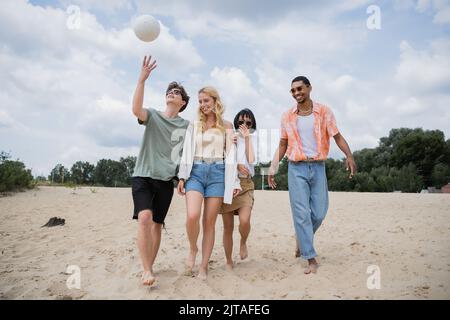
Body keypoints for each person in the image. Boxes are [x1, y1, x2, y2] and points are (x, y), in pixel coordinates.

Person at [268, 76, 356, 274]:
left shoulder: (324, 111)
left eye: (300, 89)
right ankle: (310, 258)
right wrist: (273, 167)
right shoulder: (287, 116)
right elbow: (282, 144)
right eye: (293, 91)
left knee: (319, 212)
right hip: (296, 168)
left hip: (318, 167)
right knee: (301, 214)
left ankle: (302, 237)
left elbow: (337, 136)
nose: (297, 93)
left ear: (309, 88)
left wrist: (349, 155)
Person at [131, 55, 190, 286]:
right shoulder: (153, 116)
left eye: (176, 92)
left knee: (157, 224)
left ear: (183, 102)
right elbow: (136, 109)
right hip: (143, 175)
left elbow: (189, 153)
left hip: (166, 180)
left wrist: (182, 178)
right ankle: (146, 270)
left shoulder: (186, 126)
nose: (172, 93)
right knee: (144, 218)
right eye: (169, 90)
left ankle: (149, 266)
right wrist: (142, 79)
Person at [177, 86, 241, 280]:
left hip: (218, 174)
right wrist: (182, 177)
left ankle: (203, 266)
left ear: (215, 101)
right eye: (200, 101)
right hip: (195, 172)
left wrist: (235, 181)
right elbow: (186, 151)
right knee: (192, 215)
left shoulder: (228, 126)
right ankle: (192, 248)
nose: (203, 105)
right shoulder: (194, 125)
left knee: (209, 223)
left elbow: (231, 155)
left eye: (206, 100)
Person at [220, 108, 257, 270]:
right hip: (228, 183)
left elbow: (252, 159)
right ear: (236, 122)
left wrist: (247, 139)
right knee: (228, 227)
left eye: (248, 123)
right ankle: (228, 260)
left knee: (244, 220)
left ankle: (243, 242)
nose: (244, 125)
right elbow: (222, 158)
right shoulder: (230, 136)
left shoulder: (253, 138)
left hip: (246, 185)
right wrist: (236, 164)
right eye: (241, 122)